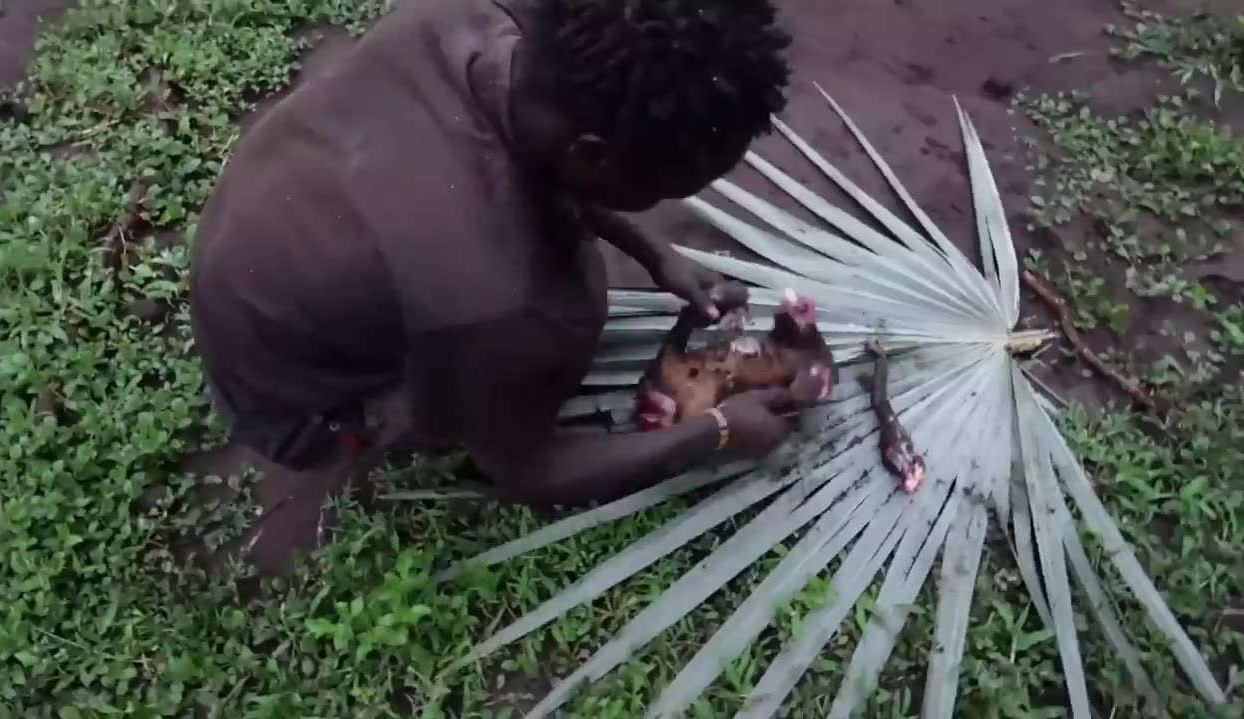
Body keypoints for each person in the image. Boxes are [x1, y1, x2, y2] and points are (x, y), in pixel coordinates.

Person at [189, 0, 796, 576]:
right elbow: (525, 470)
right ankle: (377, 418)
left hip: (267, 234)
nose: (666, 202)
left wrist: (657, 254)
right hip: (295, 402)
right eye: (666, 186)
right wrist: (714, 430)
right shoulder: (499, 300)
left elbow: (545, 158)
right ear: (593, 156)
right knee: (563, 315)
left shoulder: (500, 24)